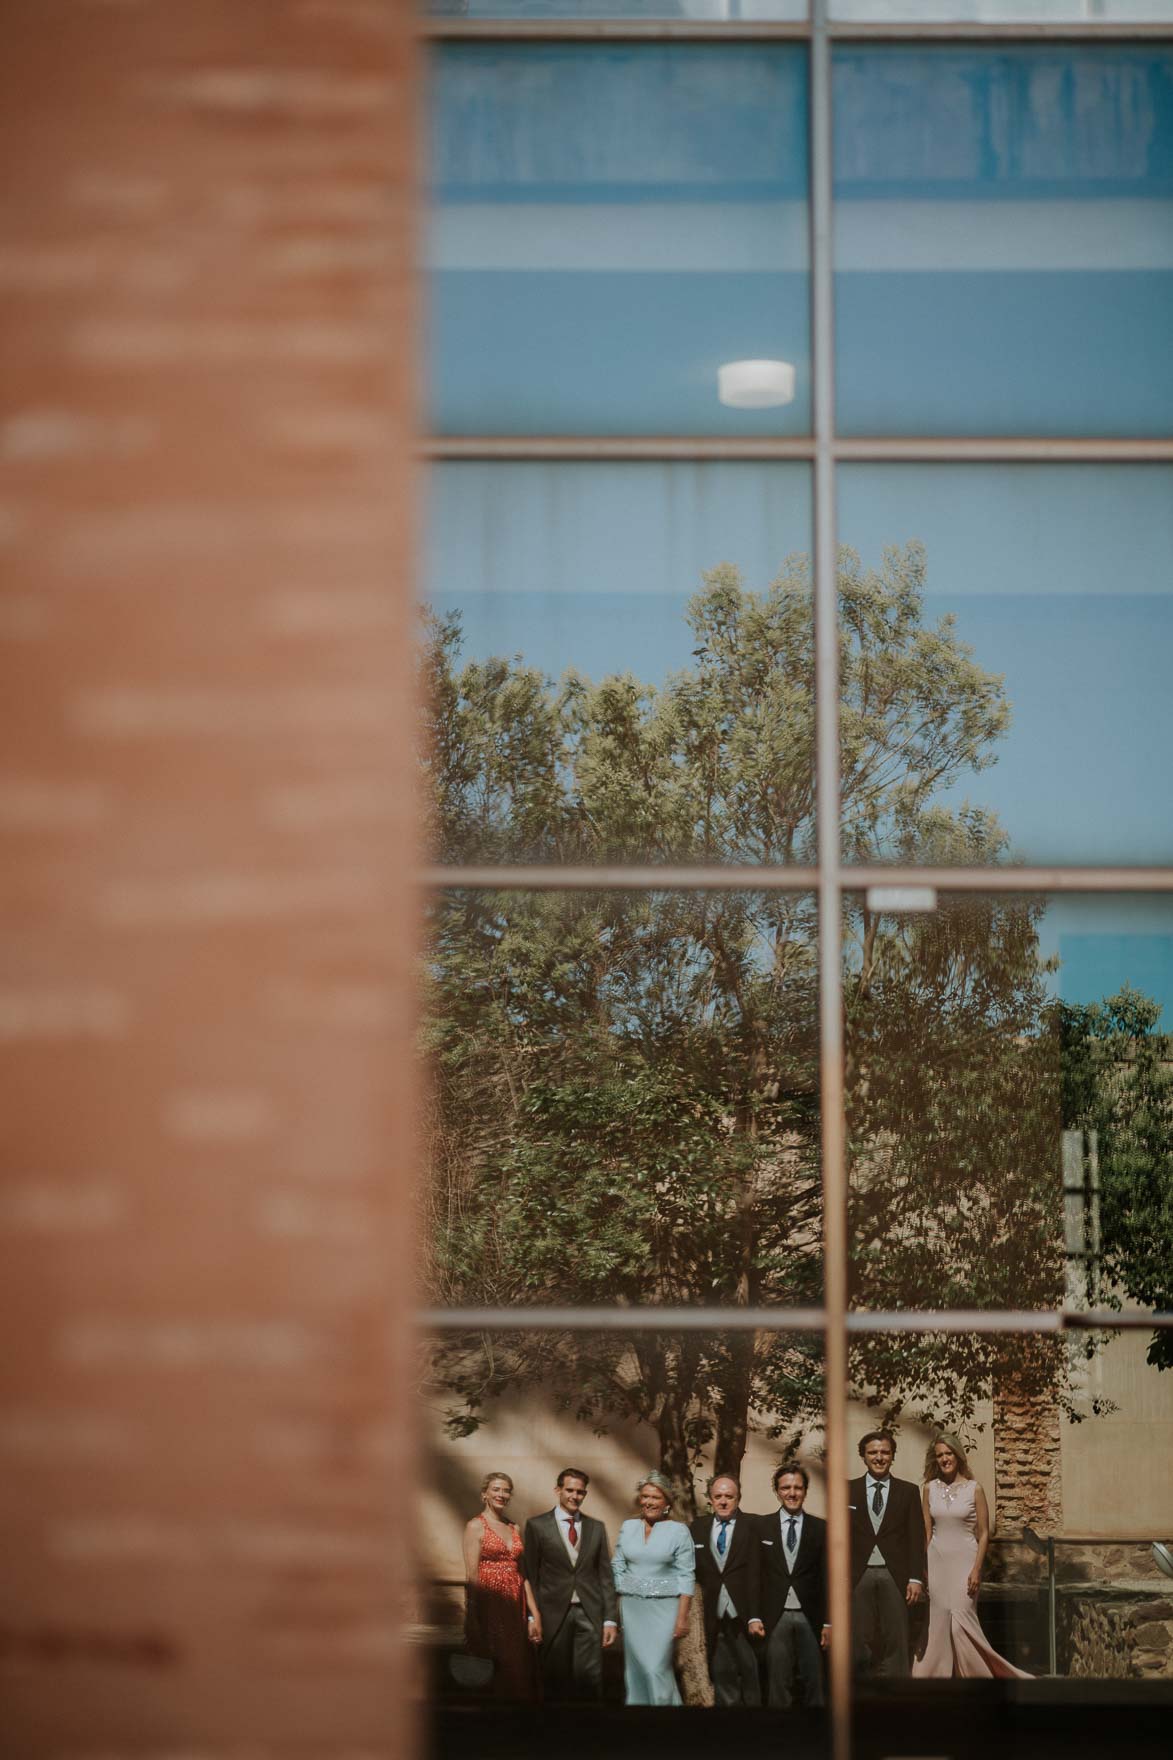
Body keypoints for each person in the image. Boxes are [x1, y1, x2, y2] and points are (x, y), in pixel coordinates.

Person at [912, 1434, 1031, 1680]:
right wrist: (922, 1567)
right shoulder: (928, 1489)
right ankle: (930, 1679)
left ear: (958, 1455)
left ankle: (980, 1678)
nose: (945, 1459)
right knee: (937, 1623)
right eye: (940, 1455)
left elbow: (985, 1533)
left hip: (965, 1562)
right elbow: (925, 1531)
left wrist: (977, 1568)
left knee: (960, 1624)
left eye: (949, 1453)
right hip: (936, 1563)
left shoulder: (974, 1488)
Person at [524, 1466, 618, 1699]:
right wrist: (531, 1616)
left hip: (590, 1612)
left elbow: (605, 1575)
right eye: (570, 1490)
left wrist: (610, 1619)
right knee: (554, 1679)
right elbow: (530, 1575)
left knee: (590, 1680)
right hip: (552, 1613)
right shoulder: (537, 1526)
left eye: (580, 1492)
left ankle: (590, 1731)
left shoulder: (596, 1527)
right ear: (558, 1490)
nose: (575, 1496)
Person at [612, 1470, 695, 1705]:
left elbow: (686, 1576)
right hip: (632, 1608)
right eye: (645, 1496)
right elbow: (617, 1563)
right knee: (636, 1669)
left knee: (656, 1667)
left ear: (667, 1502)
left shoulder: (679, 1531)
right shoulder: (628, 1526)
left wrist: (682, 1618)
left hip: (665, 1610)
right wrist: (626, 1585)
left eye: (655, 1498)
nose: (648, 1502)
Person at [849, 1429, 926, 1678]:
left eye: (885, 1452)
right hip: (858, 1574)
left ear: (892, 1456)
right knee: (859, 1640)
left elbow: (916, 1538)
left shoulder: (908, 1491)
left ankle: (895, 1696)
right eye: (873, 1452)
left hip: (895, 1574)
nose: (879, 1457)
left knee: (896, 1640)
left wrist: (915, 1577)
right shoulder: (847, 1490)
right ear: (863, 1456)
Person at [462, 1470, 541, 1699]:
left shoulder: (514, 1527)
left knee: (517, 1662)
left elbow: (522, 1573)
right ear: (484, 1494)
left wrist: (534, 1614)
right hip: (489, 1602)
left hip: (516, 1603)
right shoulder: (475, 1526)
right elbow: (472, 1575)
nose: (502, 1494)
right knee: (493, 1659)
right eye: (496, 1489)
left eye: (506, 1490)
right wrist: (472, 1614)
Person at [689, 1473, 763, 1706]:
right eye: (718, 1496)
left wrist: (755, 1615)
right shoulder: (698, 1527)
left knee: (751, 1671)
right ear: (710, 1498)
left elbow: (760, 1574)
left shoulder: (754, 1525)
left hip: (744, 1614)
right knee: (721, 1673)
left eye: (729, 1496)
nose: (723, 1501)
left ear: (738, 1498)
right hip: (713, 1613)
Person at [760, 1462, 829, 1709]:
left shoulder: (821, 1528)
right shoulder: (762, 1527)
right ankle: (780, 1737)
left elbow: (827, 1578)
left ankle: (817, 1738)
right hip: (775, 1616)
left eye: (798, 1488)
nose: (792, 1493)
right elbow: (757, 1576)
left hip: (810, 1616)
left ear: (805, 1491)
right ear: (777, 1491)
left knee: (815, 1683)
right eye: (786, 1487)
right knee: (778, 1683)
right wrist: (756, 1617)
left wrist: (829, 1622)